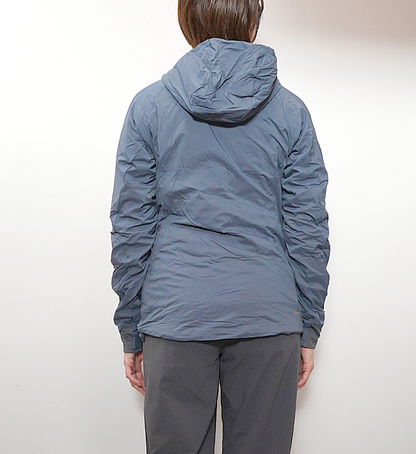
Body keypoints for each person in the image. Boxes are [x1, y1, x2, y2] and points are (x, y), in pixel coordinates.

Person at [110, 0, 330, 453]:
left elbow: (132, 225)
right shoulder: (291, 112)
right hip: (267, 315)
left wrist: (132, 326)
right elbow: (307, 227)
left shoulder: (149, 106)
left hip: (176, 315)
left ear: (187, 18)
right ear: (252, 19)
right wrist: (307, 324)